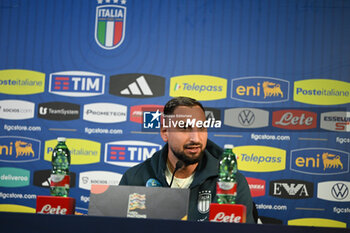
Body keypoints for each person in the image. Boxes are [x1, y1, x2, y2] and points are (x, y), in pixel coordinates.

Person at [119, 97, 255, 223]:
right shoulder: (134, 179)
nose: (195, 138)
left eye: (201, 127)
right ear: (165, 132)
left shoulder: (231, 183)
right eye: (184, 128)